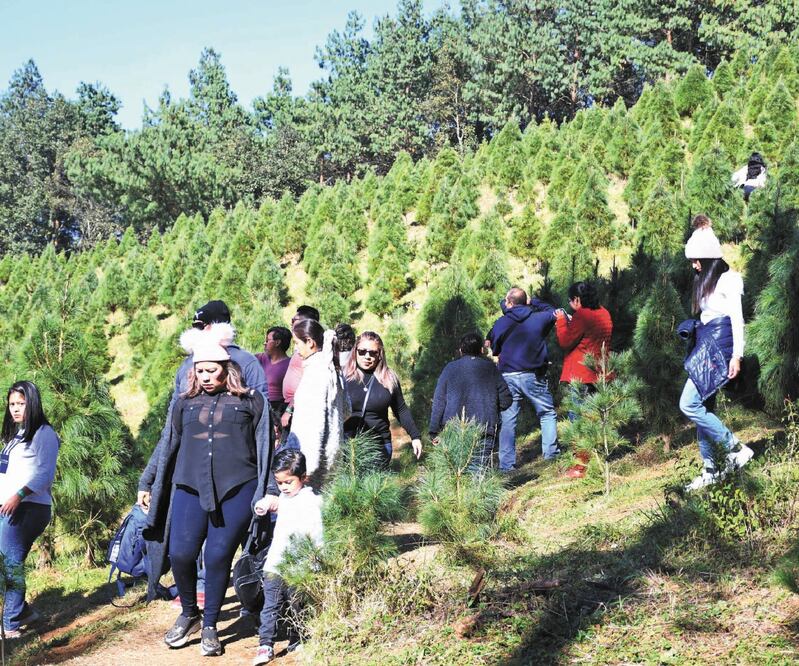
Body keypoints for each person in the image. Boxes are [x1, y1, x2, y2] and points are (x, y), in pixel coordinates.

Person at [138, 331, 272, 656]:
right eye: (201, 371)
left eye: (212, 370)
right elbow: (168, 444)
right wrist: (148, 481)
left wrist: (267, 490)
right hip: (188, 485)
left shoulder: (251, 400)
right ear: (193, 371)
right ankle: (189, 614)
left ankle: (210, 625)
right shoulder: (183, 403)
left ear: (227, 368)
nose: (206, 376)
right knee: (181, 553)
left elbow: (266, 445)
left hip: (237, 488)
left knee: (217, 557)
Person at [680, 223, 754, 491]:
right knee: (704, 407)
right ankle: (711, 467)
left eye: (697, 261)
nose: (694, 266)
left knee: (688, 404)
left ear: (709, 259)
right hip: (707, 344)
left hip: (720, 348)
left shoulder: (729, 280)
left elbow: (737, 319)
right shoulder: (707, 281)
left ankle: (734, 448)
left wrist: (737, 356)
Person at [252, 449, 323, 665]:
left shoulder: (312, 501)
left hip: (300, 565)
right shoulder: (283, 497)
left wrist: (318, 559)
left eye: (288, 482)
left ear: (303, 477)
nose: (283, 487)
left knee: (297, 604)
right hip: (275, 563)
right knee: (270, 606)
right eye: (279, 482)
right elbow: (272, 502)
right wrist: (262, 505)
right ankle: (266, 644)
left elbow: (318, 533)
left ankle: (298, 637)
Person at [0, 381, 59, 639]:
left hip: (29, 507)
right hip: (9, 506)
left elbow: (45, 474)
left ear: (32, 403)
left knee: (10, 564)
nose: (15, 409)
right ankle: (22, 611)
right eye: (12, 404)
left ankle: (11, 625)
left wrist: (19, 495)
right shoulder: (17, 435)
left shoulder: (43, 433)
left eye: (20, 404)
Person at [486, 288, 559, 471]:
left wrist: (508, 307)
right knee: (547, 413)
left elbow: (495, 348)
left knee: (508, 420)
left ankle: (506, 466)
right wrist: (532, 301)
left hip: (508, 376)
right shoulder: (539, 317)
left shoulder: (501, 323)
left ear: (509, 303)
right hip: (533, 375)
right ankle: (551, 456)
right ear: (525, 301)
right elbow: (554, 311)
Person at [554, 281, 613, 478]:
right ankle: (596, 456)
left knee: (577, 418)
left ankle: (580, 465)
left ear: (577, 299)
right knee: (595, 417)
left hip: (580, 374)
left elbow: (565, 341)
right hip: (599, 370)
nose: (571, 304)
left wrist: (562, 320)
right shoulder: (604, 312)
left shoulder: (582, 315)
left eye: (571, 300)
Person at [429, 332, 512, 470]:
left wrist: (433, 430)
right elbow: (506, 399)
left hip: (454, 430)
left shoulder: (449, 369)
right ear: (481, 350)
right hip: (484, 429)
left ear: (461, 350)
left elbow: (439, 401)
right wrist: (491, 407)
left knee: (458, 475)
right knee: (479, 475)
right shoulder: (490, 367)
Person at [343, 331, 422, 466]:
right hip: (347, 445)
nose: (367, 356)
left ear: (380, 354)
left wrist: (415, 436)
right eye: (362, 351)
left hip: (379, 446)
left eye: (373, 352)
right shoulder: (344, 376)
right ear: (355, 351)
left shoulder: (389, 378)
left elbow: (401, 409)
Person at [285, 319, 349, 486]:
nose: (295, 348)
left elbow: (315, 426)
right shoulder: (332, 368)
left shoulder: (316, 373)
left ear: (310, 342)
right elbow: (347, 410)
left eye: (297, 343)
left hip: (313, 465)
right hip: (333, 455)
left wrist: (306, 469)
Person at [281, 305, 321, 434]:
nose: (291, 322)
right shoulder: (302, 348)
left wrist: (289, 410)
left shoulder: (313, 355)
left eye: (295, 320)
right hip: (290, 404)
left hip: (298, 408)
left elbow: (305, 385)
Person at [255, 325, 292, 417]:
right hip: (257, 405)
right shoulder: (258, 358)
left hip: (277, 410)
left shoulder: (290, 365)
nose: (264, 343)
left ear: (277, 342)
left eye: (267, 341)